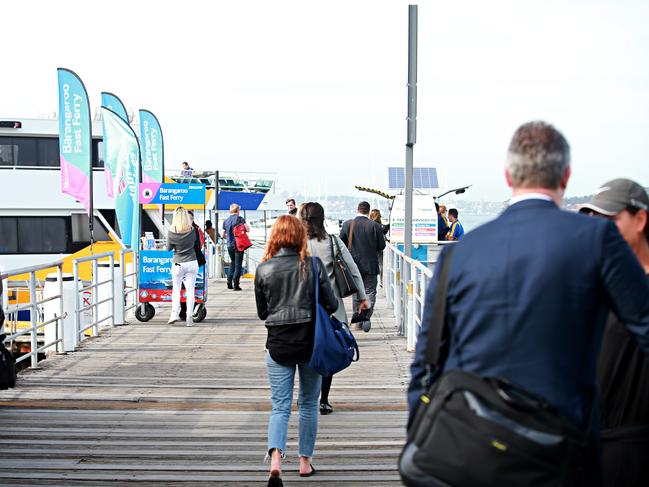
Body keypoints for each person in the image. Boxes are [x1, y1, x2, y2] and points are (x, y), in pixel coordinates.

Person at [408, 121, 649, 481]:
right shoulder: (597, 240)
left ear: (508, 176)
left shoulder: (457, 255)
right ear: (565, 176)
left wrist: (420, 432)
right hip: (561, 450)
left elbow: (427, 361)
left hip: (468, 446)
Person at [254, 215, 338, 486]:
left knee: (280, 406)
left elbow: (262, 312)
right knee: (309, 403)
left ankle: (276, 459)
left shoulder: (263, 268)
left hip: (278, 343)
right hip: (311, 343)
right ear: (301, 237)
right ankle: (304, 462)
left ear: (275, 237)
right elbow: (333, 304)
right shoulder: (312, 266)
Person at [580, 179, 649, 486]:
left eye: (609, 220)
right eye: (592, 220)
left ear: (640, 219)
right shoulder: (591, 283)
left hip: (631, 446)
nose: (598, 230)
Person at [300, 202, 369, 415]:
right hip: (332, 307)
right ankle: (324, 400)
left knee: (306, 352)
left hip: (302, 306)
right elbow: (353, 270)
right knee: (328, 349)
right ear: (322, 218)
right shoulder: (332, 241)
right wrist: (362, 298)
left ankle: (307, 398)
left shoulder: (296, 243)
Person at [340, 201, 386, 332]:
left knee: (356, 292)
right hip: (371, 264)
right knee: (370, 291)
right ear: (368, 211)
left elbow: (340, 243)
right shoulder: (375, 226)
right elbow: (381, 246)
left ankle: (357, 321)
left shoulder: (348, 224)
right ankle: (366, 315)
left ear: (357, 209)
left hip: (353, 264)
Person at [166, 207, 200, 327]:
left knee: (176, 289)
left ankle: (174, 313)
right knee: (190, 291)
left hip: (178, 263)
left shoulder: (172, 231)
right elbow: (198, 245)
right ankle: (189, 317)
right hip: (192, 262)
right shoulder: (192, 229)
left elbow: (168, 248)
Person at [221, 203, 250, 291]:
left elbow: (222, 235)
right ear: (238, 210)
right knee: (238, 265)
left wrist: (229, 239)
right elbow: (248, 229)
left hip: (229, 245)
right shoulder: (240, 219)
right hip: (239, 244)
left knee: (233, 262)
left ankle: (229, 283)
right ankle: (236, 285)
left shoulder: (226, 221)